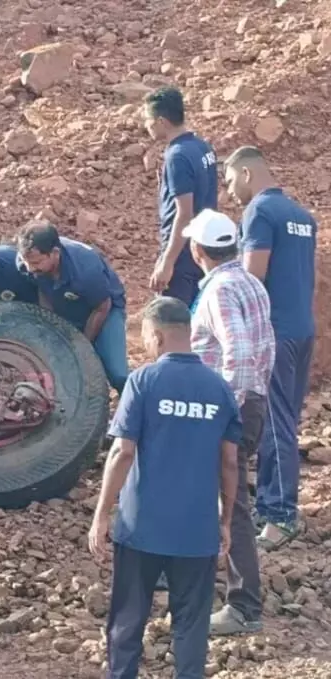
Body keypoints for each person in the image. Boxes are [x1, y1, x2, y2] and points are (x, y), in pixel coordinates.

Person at [88, 296, 241, 679]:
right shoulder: (219, 389)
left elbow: (123, 452)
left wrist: (101, 515)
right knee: (191, 623)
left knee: (128, 618)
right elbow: (230, 462)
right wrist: (225, 520)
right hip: (196, 529)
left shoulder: (144, 381)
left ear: (156, 336)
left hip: (141, 527)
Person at [184, 208, 274, 635]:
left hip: (227, 409)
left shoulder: (220, 290)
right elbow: (266, 349)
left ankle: (243, 606)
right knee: (219, 498)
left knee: (230, 502)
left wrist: (227, 413)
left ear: (197, 250)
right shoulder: (250, 283)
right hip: (250, 401)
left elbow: (237, 354)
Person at [224, 145, 318, 550]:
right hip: (302, 329)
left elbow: (252, 278)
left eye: (229, 180)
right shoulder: (302, 216)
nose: (228, 191)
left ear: (246, 173)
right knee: (285, 419)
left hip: (275, 331)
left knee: (274, 422)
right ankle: (271, 504)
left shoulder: (259, 213)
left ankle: (280, 514)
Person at [17, 221, 128, 393]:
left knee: (117, 373)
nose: (31, 268)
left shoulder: (85, 270)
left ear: (55, 253)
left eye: (37, 263)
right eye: (26, 262)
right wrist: (53, 325)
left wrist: (82, 344)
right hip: (65, 306)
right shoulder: (27, 264)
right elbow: (41, 288)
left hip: (103, 310)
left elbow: (102, 306)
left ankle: (134, 401)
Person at [142, 86, 219, 306]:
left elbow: (184, 213)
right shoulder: (203, 147)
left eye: (149, 119)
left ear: (162, 121)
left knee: (173, 323)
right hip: (204, 247)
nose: (146, 125)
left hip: (182, 253)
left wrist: (167, 262)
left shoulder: (177, 156)